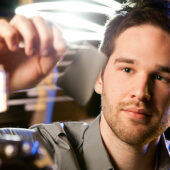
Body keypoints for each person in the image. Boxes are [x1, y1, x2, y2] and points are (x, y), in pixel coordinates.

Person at [0, 0, 169, 170]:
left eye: (159, 77)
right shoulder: (35, 152)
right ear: (99, 78)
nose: (140, 92)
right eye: (127, 69)